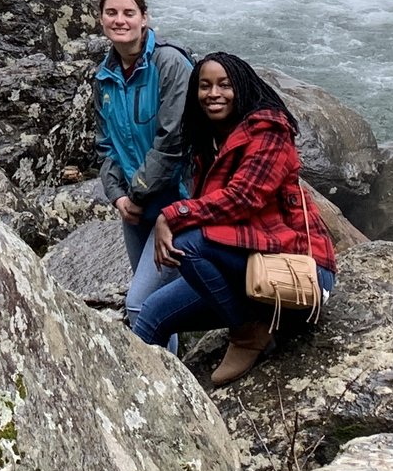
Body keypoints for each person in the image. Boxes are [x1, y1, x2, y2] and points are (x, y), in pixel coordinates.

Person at [129, 53, 337, 388]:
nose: (214, 93)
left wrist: (173, 215)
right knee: (152, 313)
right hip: (242, 267)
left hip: (296, 269)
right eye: (205, 86)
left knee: (186, 244)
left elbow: (244, 198)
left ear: (242, 87)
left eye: (225, 85)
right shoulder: (209, 142)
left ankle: (247, 331)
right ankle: (142, 397)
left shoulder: (269, 131)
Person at [91, 0, 192, 322]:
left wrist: (136, 192)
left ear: (144, 18)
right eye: (112, 13)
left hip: (177, 204)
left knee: (140, 304)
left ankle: (162, 374)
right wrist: (118, 195)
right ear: (101, 19)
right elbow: (106, 146)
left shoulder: (169, 63)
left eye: (128, 13)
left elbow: (173, 140)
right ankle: (172, 371)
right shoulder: (104, 77)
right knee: (155, 302)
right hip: (135, 210)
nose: (120, 20)